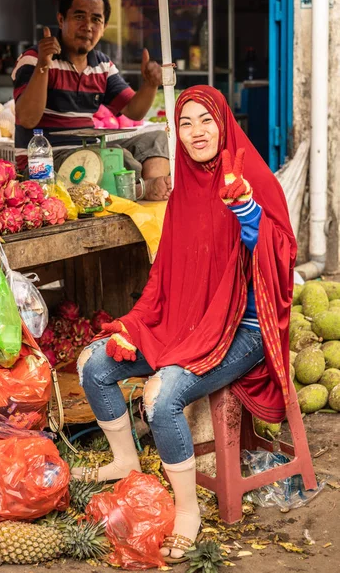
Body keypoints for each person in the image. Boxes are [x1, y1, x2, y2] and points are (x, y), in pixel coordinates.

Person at [73, 85, 296, 562]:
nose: (197, 133)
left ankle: (188, 512)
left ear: (224, 123)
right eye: (186, 123)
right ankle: (124, 461)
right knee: (93, 361)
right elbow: (165, 275)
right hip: (189, 321)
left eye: (206, 120)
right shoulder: (183, 193)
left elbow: (282, 258)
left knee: (161, 395)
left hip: (246, 329)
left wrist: (252, 218)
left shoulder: (250, 176)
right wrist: (135, 323)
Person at [12, 0, 171, 201]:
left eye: (96, 19)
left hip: (87, 153)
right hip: (43, 166)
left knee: (157, 139)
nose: (88, 26)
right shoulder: (34, 58)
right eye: (79, 17)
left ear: (104, 27)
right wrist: (43, 66)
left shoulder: (102, 65)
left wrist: (151, 84)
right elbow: (27, 119)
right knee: (117, 157)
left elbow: (134, 111)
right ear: (61, 20)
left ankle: (155, 192)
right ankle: (143, 191)